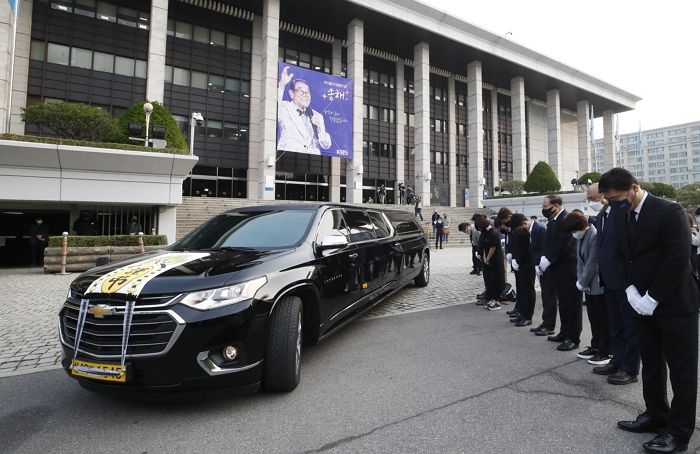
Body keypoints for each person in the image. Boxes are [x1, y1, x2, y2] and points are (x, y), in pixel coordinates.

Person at [600, 168, 699, 454]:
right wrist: (630, 290)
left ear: (634, 187)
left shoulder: (669, 211)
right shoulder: (620, 214)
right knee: (652, 364)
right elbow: (620, 253)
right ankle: (657, 415)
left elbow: (677, 257)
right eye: (610, 201)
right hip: (638, 302)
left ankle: (679, 434)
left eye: (618, 198)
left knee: (681, 371)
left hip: (675, 304)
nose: (616, 205)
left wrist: (653, 297)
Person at [591, 181, 640, 382]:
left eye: (593, 197)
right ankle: (616, 360)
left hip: (624, 279)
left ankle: (629, 368)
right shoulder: (602, 216)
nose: (591, 201)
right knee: (616, 324)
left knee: (630, 326)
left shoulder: (622, 214)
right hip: (607, 278)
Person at [535, 195, 582, 352]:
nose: (544, 209)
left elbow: (564, 243)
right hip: (557, 269)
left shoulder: (566, 219)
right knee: (563, 303)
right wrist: (544, 257)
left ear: (556, 205)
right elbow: (549, 242)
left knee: (572, 305)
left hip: (568, 269)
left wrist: (550, 259)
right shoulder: (553, 221)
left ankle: (573, 337)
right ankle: (564, 332)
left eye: (546, 206)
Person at [564, 210, 610, 365]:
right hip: (587, 285)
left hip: (597, 283)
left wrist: (582, 282)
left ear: (582, 226)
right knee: (593, 319)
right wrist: (580, 280)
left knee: (602, 319)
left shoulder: (594, 235)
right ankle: (596, 346)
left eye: (573, 230)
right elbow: (579, 261)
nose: (573, 234)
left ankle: (606, 350)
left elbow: (593, 262)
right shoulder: (581, 236)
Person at [277, 66, 332, 154]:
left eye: (307, 92)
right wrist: (282, 84)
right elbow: (272, 105)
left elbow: (326, 145)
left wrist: (320, 128)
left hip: (313, 158)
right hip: (288, 154)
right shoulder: (284, 107)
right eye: (301, 91)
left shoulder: (317, 115)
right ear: (291, 94)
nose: (305, 94)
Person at [508, 214, 535, 326]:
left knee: (528, 291)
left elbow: (524, 250)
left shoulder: (524, 233)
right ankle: (522, 314)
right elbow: (516, 248)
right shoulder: (519, 232)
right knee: (523, 290)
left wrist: (517, 260)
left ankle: (527, 316)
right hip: (521, 265)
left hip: (527, 265)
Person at [473, 214, 505, 311]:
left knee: (496, 280)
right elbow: (482, 245)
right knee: (489, 280)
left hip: (494, 260)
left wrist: (487, 258)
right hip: (486, 260)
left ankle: (497, 300)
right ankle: (491, 298)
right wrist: (482, 256)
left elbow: (493, 247)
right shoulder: (484, 232)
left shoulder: (493, 233)